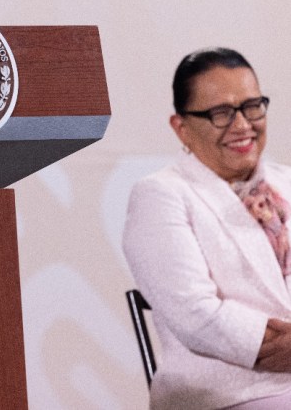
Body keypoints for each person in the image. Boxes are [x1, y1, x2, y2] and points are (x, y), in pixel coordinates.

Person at [123, 47, 291, 409]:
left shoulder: (287, 181)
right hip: (224, 395)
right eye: (221, 113)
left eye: (252, 106)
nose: (243, 125)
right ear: (181, 128)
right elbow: (197, 314)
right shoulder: (161, 194)